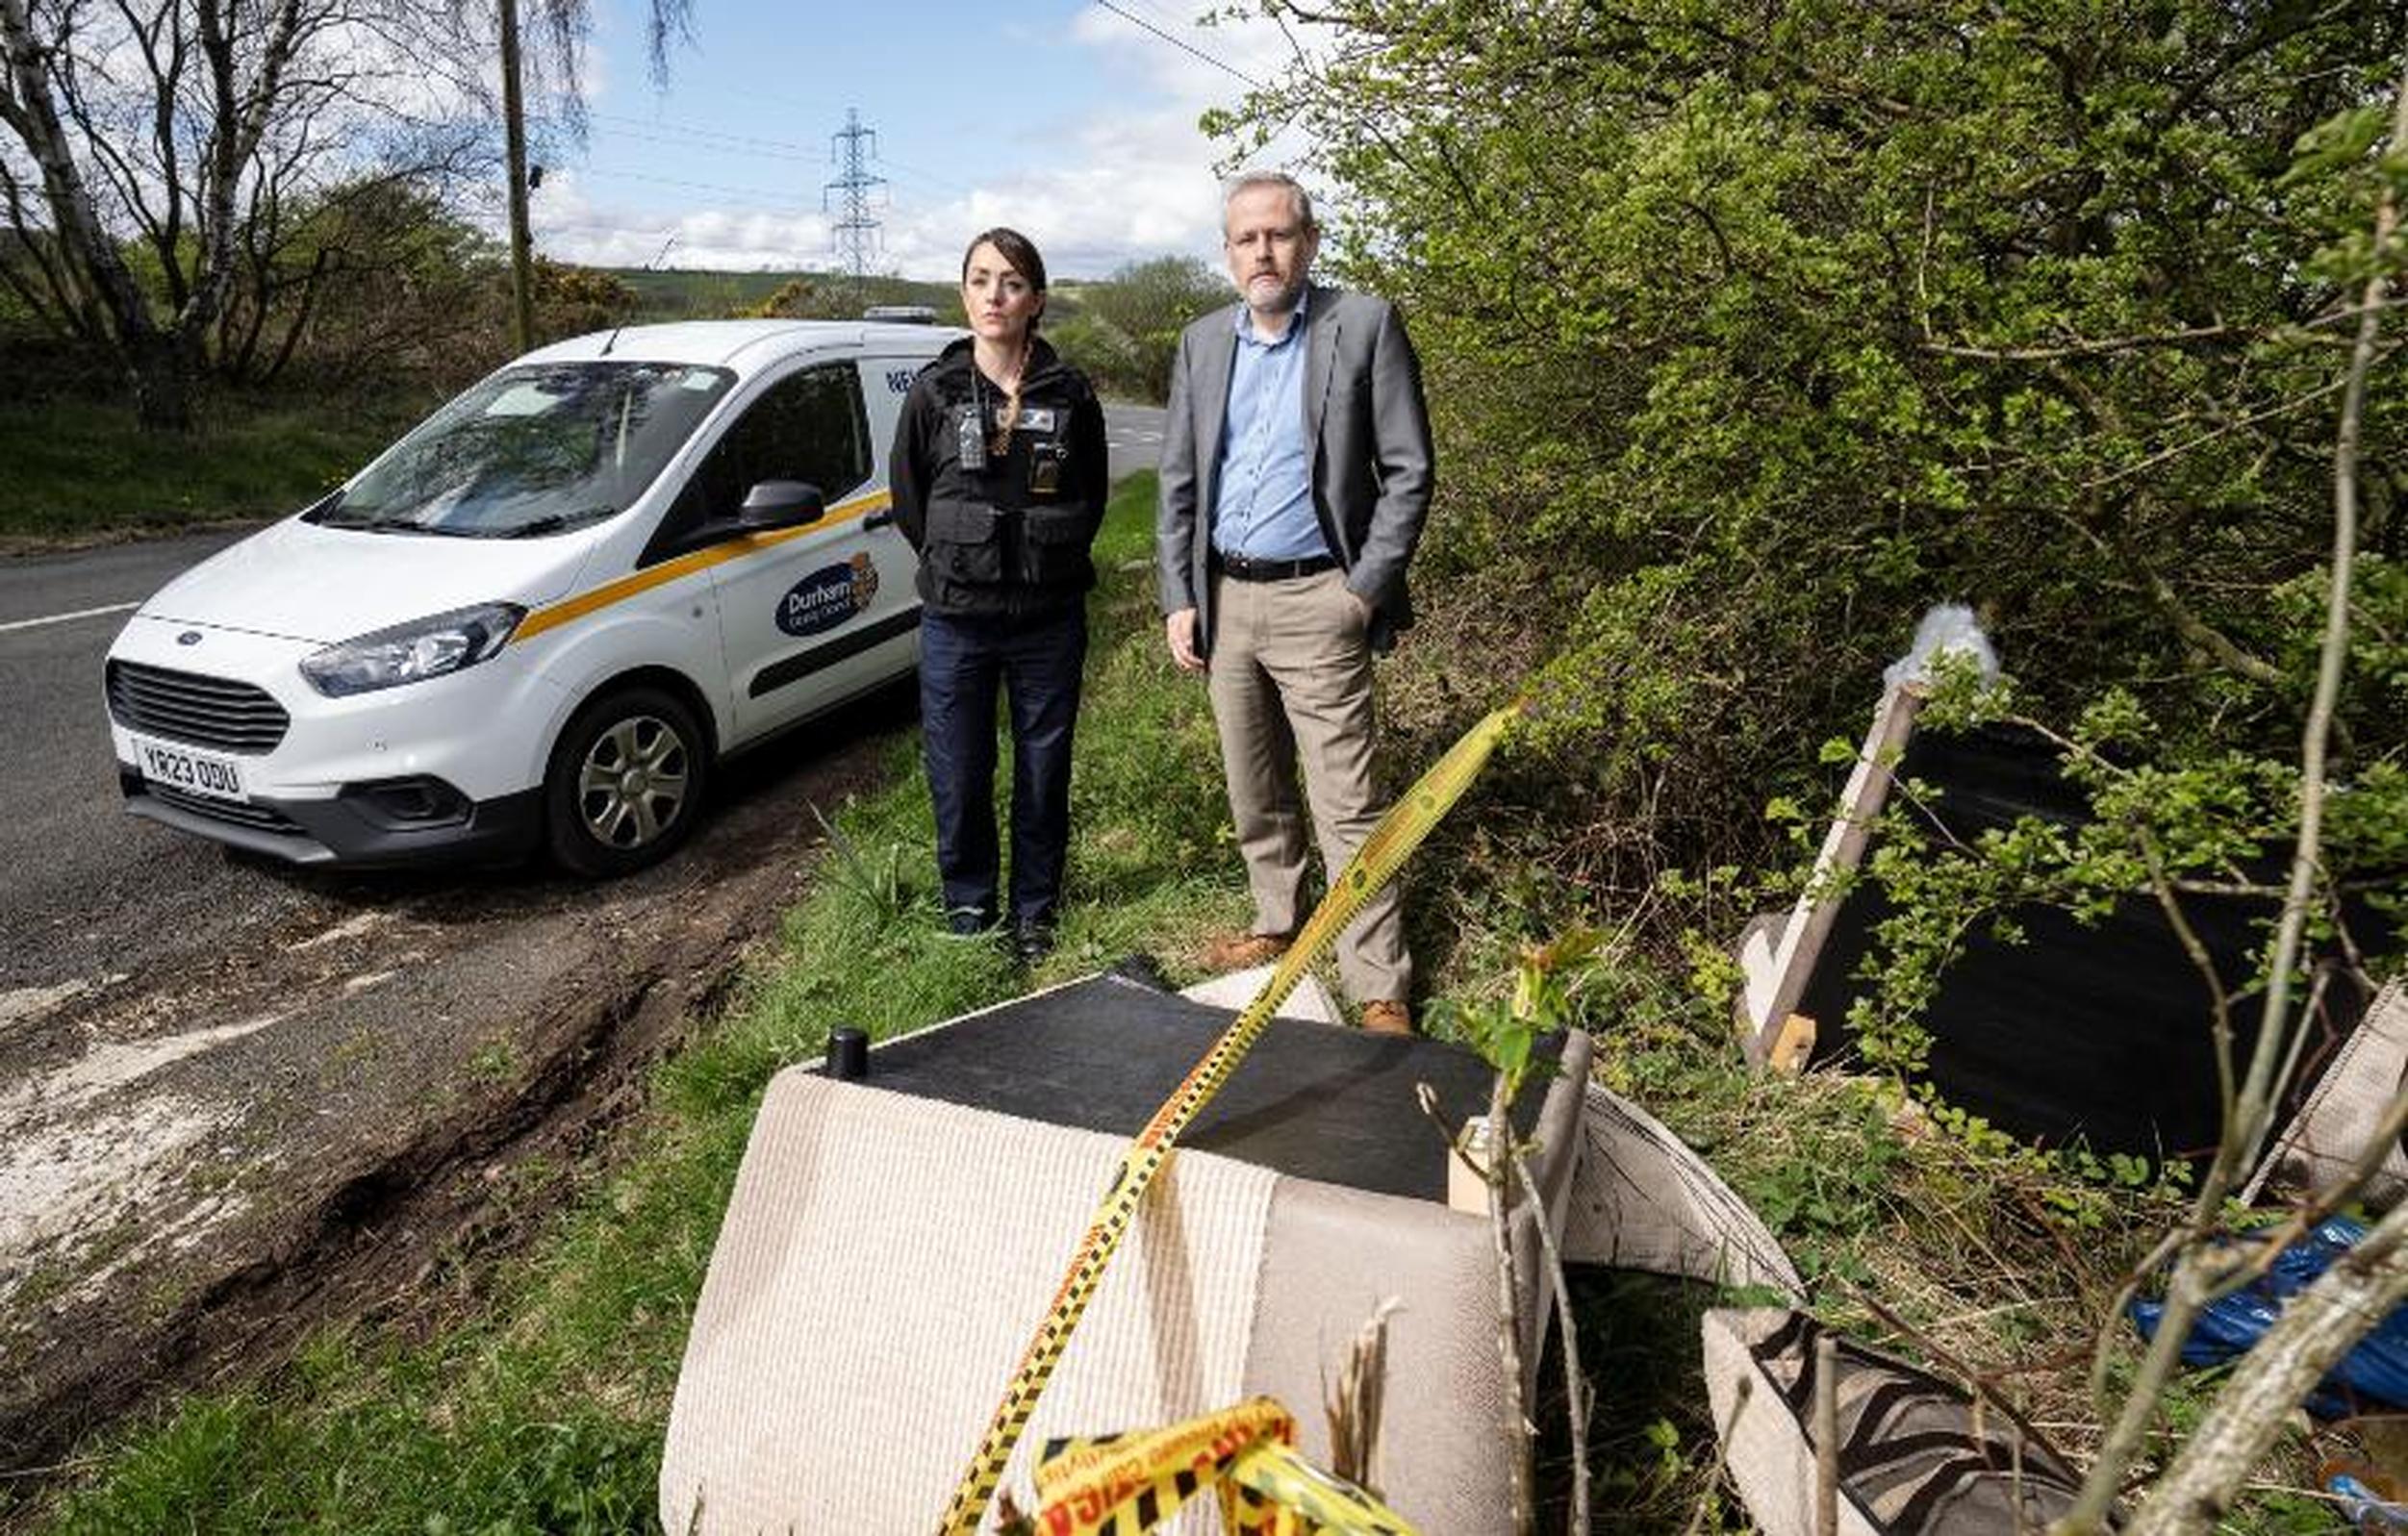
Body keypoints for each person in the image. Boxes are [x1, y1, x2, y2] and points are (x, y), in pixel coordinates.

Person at [1155, 171, 1434, 1035]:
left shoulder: (1362, 325)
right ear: (1228, 253)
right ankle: (1277, 921)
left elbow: (1408, 471)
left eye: (1278, 235)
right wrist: (1178, 596)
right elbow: (1177, 481)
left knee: (1346, 801)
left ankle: (1378, 982)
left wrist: (1362, 591)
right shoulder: (1203, 343)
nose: (1263, 252)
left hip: (1322, 595)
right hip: (1226, 597)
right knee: (1254, 784)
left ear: (1308, 242)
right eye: (1247, 239)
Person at [891, 228, 1108, 964]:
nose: (994, 295)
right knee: (959, 771)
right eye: (980, 280)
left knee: (1043, 771)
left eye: (1010, 282)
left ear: (1035, 300)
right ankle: (969, 909)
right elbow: (909, 503)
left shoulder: (1071, 394)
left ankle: (1035, 912)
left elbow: (1093, 497)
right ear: (963, 294)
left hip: (1049, 622)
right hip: (957, 621)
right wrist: (965, 562)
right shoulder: (933, 392)